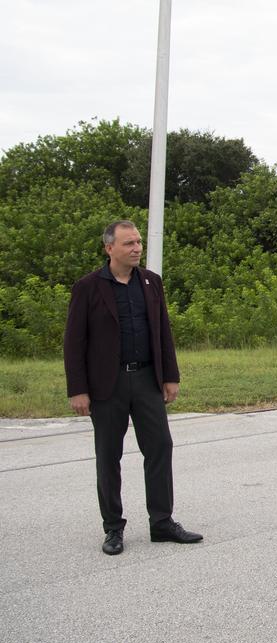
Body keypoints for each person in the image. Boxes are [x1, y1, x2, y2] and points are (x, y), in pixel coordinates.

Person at [64, 220, 203, 555]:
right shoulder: (88, 287)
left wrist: (171, 376)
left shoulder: (151, 283)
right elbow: (74, 342)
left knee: (160, 447)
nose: (137, 248)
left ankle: (162, 522)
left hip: (146, 380)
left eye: (139, 242)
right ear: (109, 248)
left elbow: (163, 333)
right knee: (108, 456)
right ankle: (113, 528)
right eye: (129, 243)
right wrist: (77, 389)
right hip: (105, 385)